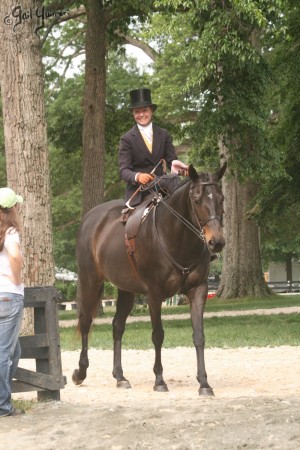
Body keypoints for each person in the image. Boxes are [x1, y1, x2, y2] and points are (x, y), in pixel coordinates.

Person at [119, 88, 188, 207]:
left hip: (163, 187)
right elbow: (124, 171)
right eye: (137, 112)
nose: (141, 115)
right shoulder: (127, 139)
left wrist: (177, 166)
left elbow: (171, 161)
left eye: (144, 110)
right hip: (140, 191)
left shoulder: (164, 134)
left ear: (151, 111)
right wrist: (137, 176)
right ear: (133, 114)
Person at [0, 187, 25, 417]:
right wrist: (16, 278)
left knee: (14, 351)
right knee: (4, 353)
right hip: (8, 296)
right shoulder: (9, 232)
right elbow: (15, 256)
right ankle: (2, 406)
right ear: (11, 209)